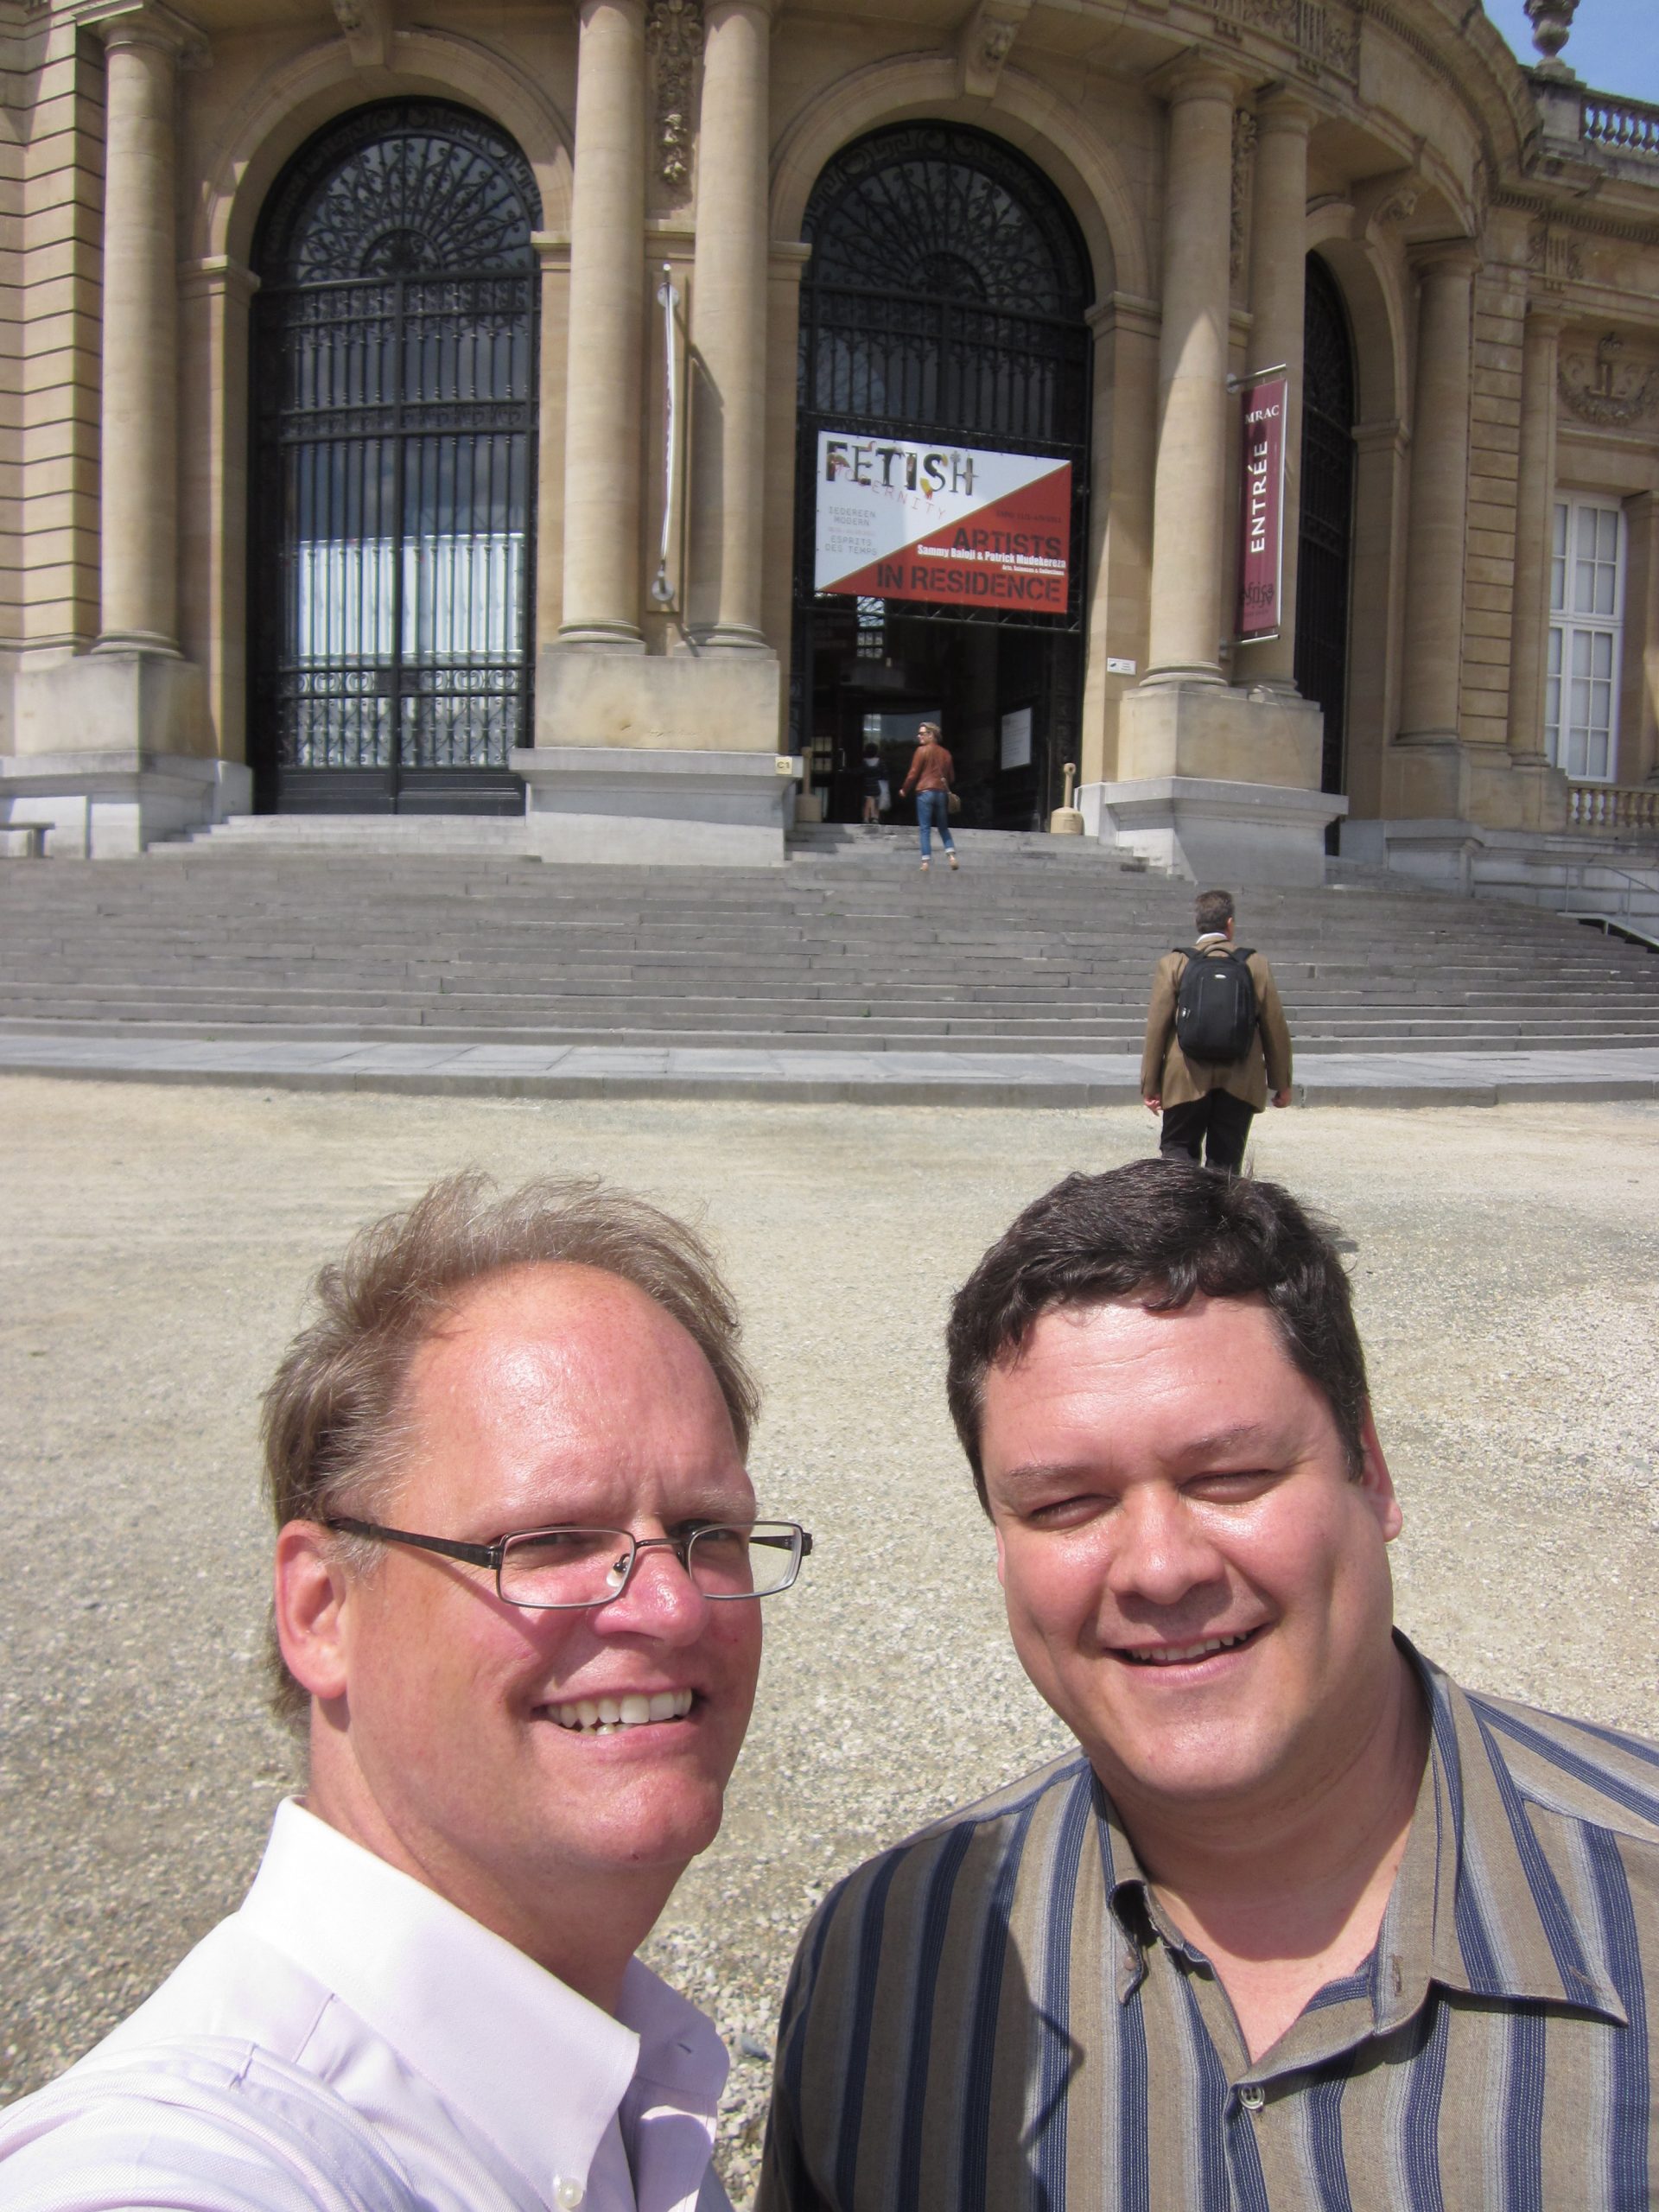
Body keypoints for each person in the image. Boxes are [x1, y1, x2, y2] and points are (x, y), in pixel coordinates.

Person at [760, 1161, 1659, 2211]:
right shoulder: (888, 1970)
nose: (1159, 1565)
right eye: (1065, 1504)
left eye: (1229, 1477)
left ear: (1371, 1471)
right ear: (1000, 1548)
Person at [0, 1172, 813, 2212]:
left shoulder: (618, 2082)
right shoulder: (197, 2160)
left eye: (710, 1533)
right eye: (552, 1540)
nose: (673, 1608)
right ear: (321, 1609)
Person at [1141, 887, 1292, 1172]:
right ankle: (1222, 1215)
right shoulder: (1255, 965)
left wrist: (1151, 1085)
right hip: (1240, 1077)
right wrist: (1281, 1082)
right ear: (1230, 925)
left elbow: (1157, 1028)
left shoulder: (1174, 963)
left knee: (1178, 1154)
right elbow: (1275, 1028)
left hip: (1184, 1075)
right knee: (1226, 1162)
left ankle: (1180, 1215)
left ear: (1198, 923)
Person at [899, 721, 958, 874]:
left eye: (922, 734)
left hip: (924, 792)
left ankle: (925, 862)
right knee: (943, 827)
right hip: (941, 793)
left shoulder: (921, 751)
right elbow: (951, 777)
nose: (919, 736)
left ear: (931, 735)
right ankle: (951, 857)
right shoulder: (946, 754)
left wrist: (905, 790)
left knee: (925, 828)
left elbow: (913, 774)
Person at [859, 743, 885, 829]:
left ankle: (866, 817)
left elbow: (860, 771)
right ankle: (875, 817)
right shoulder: (880, 762)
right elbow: (884, 773)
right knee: (876, 802)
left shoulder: (864, 762)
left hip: (867, 784)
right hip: (876, 785)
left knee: (867, 801)